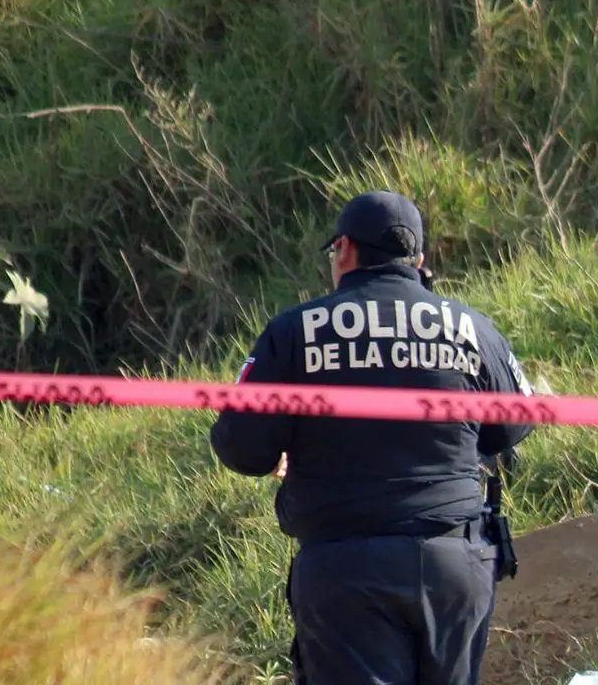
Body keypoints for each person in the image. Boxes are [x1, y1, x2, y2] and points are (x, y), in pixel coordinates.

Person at [208, 189, 535, 685]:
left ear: (344, 249)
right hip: (455, 567)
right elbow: (512, 426)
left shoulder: (296, 331)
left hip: (348, 574)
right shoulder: (473, 328)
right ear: (419, 260)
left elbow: (241, 446)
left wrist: (288, 443)